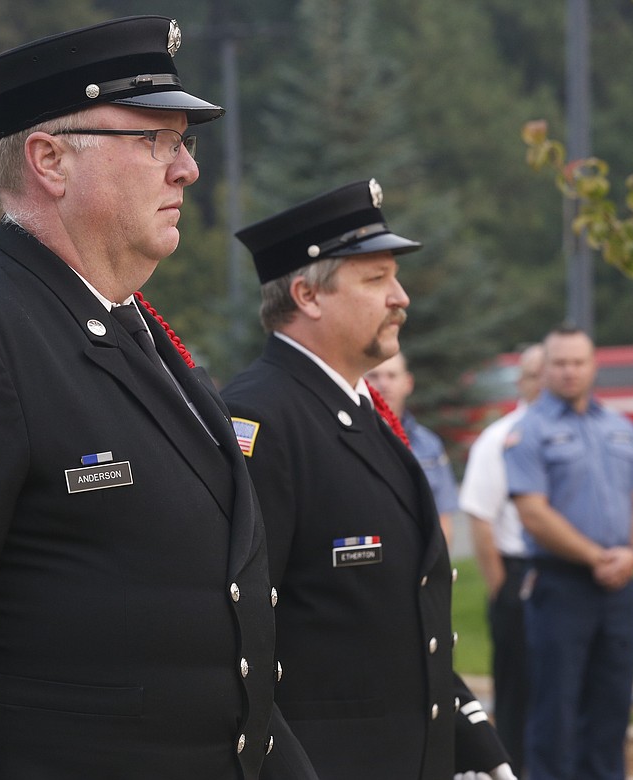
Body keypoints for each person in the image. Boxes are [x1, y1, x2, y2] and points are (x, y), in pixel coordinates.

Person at [0, 16, 315, 780]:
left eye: (185, 141)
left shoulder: (133, 331)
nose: (186, 168)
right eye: (154, 141)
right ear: (50, 160)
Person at [220, 179, 513, 780]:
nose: (400, 298)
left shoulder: (362, 412)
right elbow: (241, 639)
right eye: (375, 279)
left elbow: (410, 619)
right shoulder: (262, 419)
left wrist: (480, 750)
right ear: (307, 294)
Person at [505, 326, 633, 780]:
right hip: (561, 587)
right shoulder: (528, 432)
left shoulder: (620, 428)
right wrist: (596, 556)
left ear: (593, 367)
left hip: (620, 586)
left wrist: (632, 552)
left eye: (578, 362)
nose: (570, 372)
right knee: (556, 712)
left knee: (612, 710)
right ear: (545, 368)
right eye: (560, 363)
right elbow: (533, 512)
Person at [458, 342, 544, 776]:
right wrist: (502, 590)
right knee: (518, 696)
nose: (547, 381)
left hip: (578, 581)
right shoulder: (499, 440)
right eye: (536, 374)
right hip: (520, 577)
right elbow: (481, 519)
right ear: (523, 382)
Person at [365, 350, 459, 545]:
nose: (383, 383)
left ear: (408, 383)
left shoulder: (429, 445)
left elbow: (442, 519)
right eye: (374, 375)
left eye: (392, 375)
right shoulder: (351, 439)